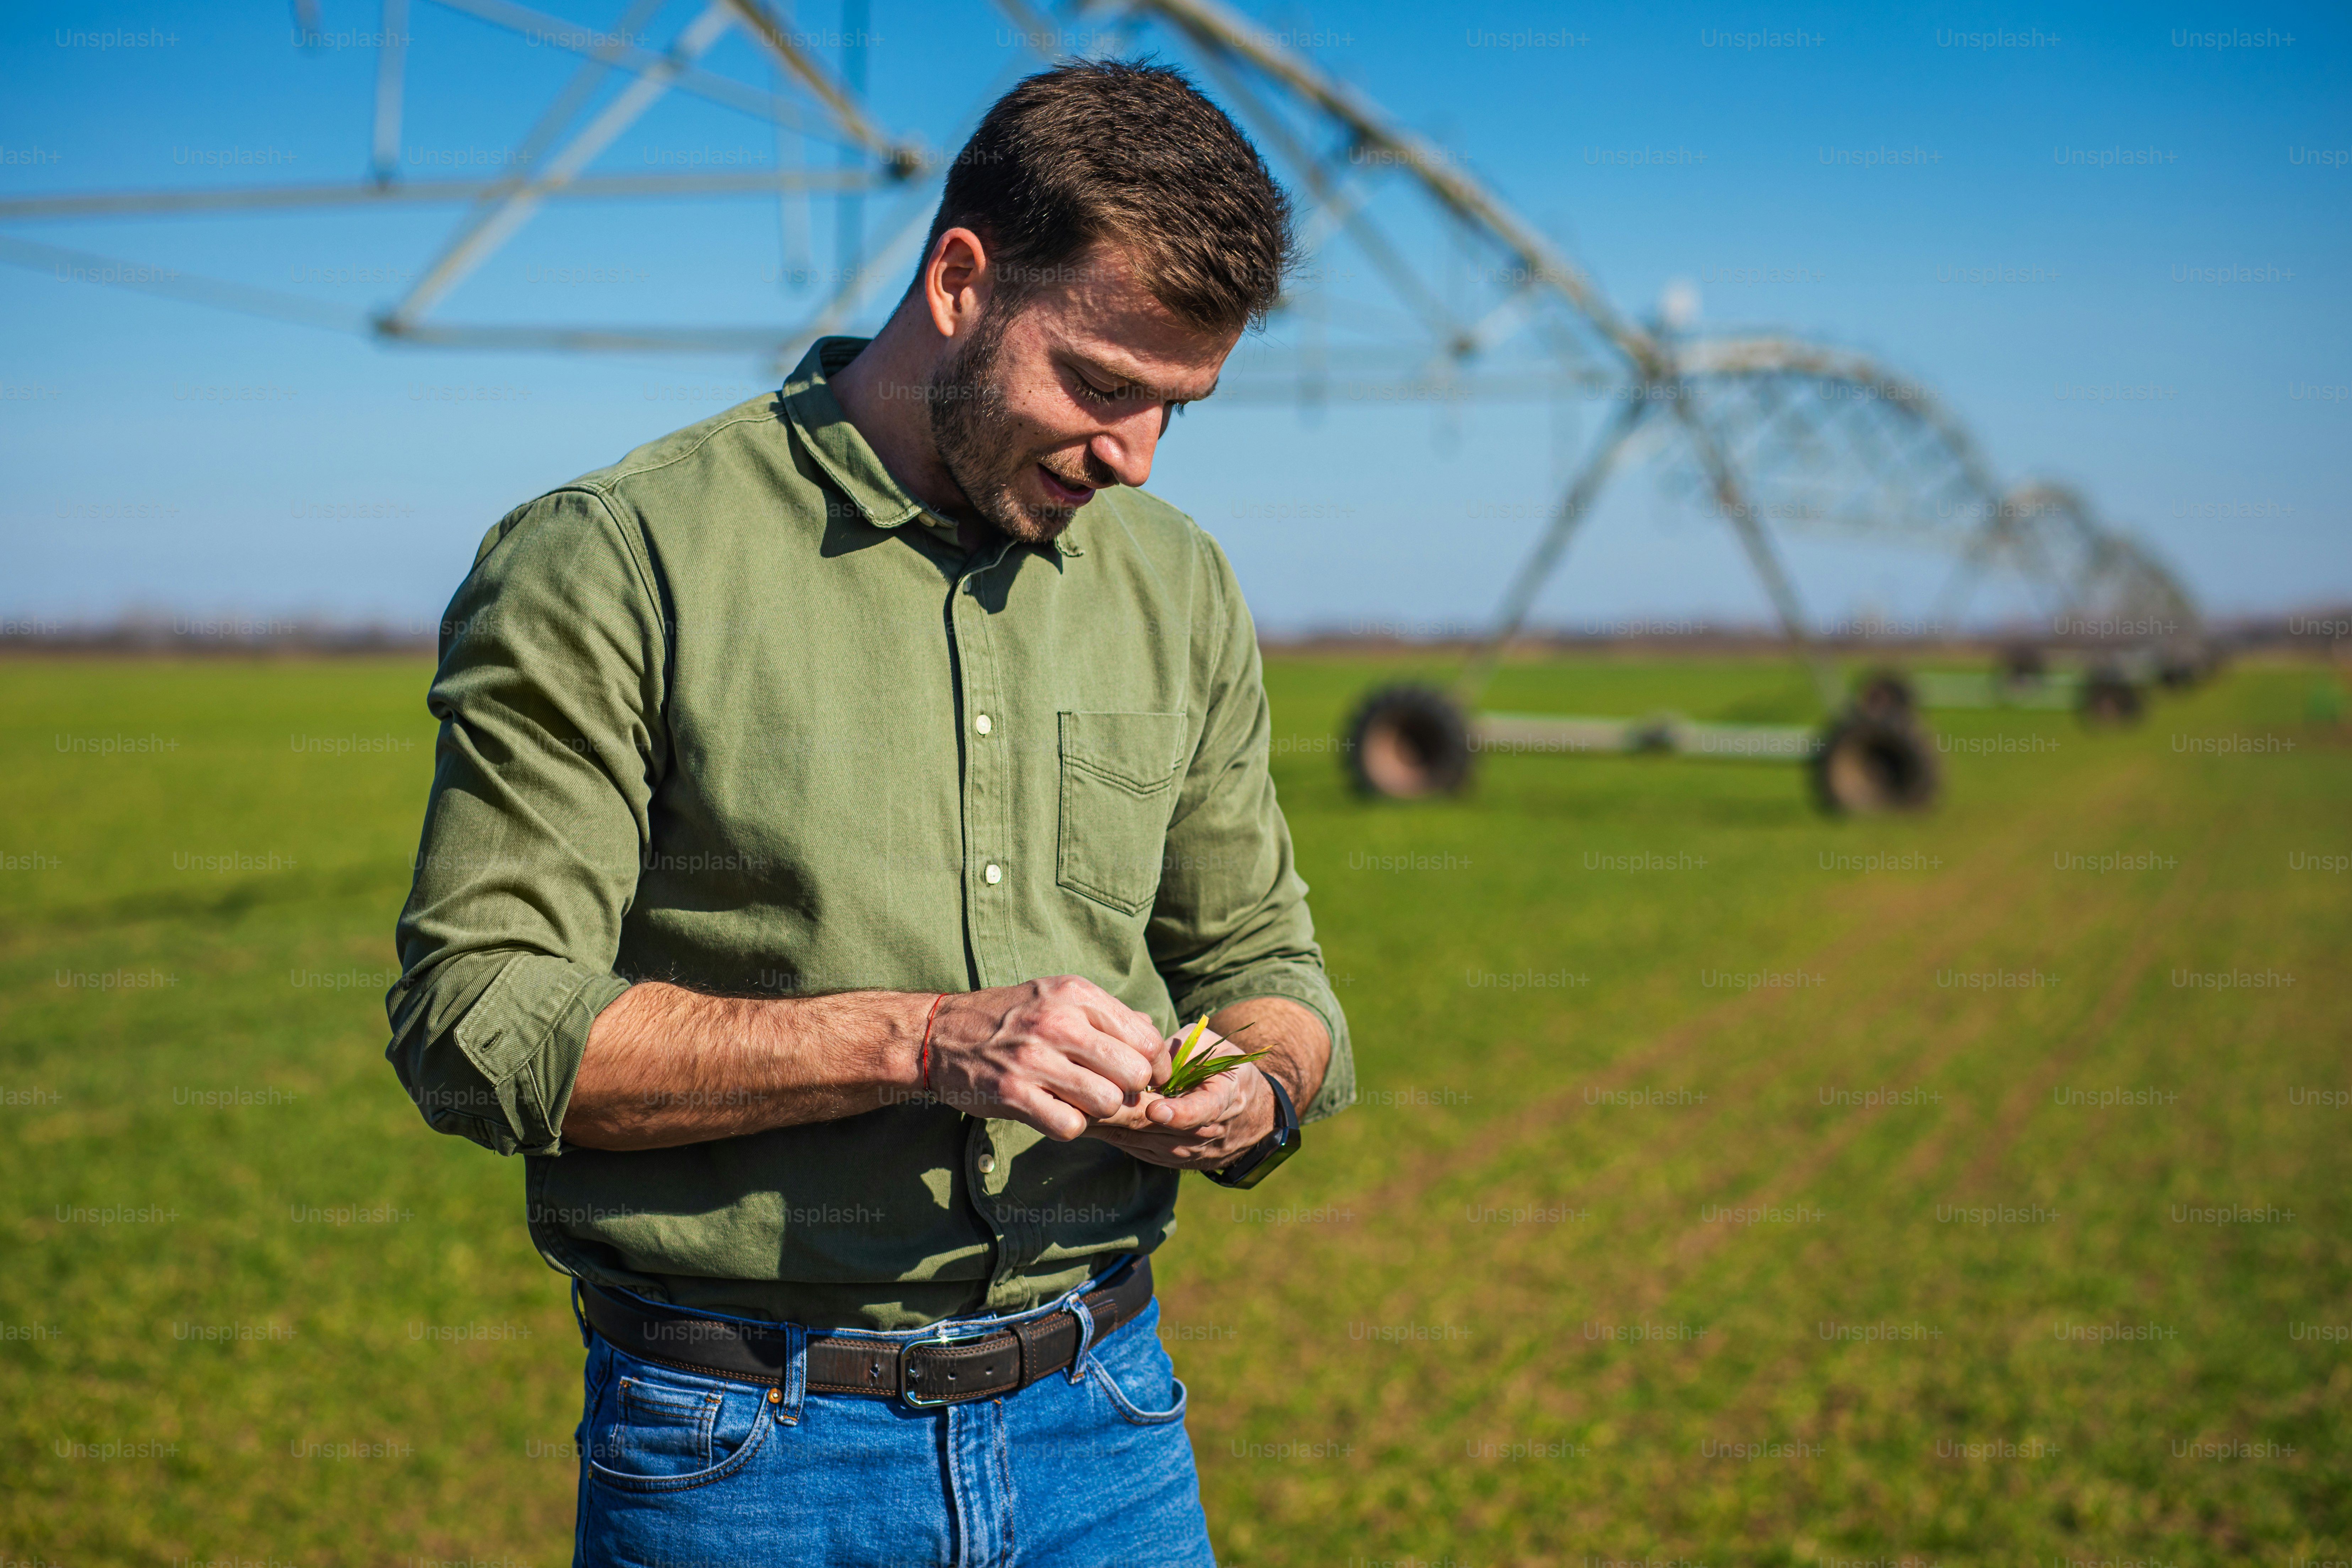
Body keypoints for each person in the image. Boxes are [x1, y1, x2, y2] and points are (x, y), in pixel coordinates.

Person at [385, 58, 1353, 1566]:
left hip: (1110, 1424)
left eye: (1179, 409)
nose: (1133, 457)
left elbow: (1270, 974)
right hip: (746, 1457)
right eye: (1101, 386)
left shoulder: (1179, 587)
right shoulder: (616, 561)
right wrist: (921, 1041)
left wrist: (1256, 1091)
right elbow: (480, 1024)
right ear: (960, 279)